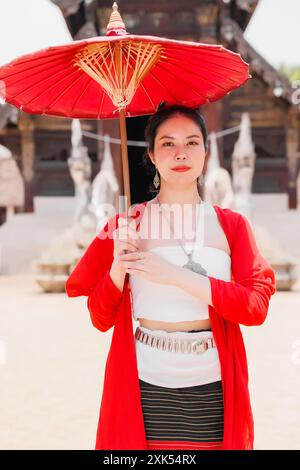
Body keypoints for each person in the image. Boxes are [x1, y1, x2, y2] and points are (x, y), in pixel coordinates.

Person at [65, 103, 276, 451]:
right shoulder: (126, 224)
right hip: (145, 384)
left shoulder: (232, 226)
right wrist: (119, 265)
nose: (181, 153)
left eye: (192, 142)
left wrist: (175, 275)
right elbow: (100, 317)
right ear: (150, 154)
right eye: (168, 143)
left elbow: (255, 308)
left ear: (206, 152)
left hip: (214, 385)